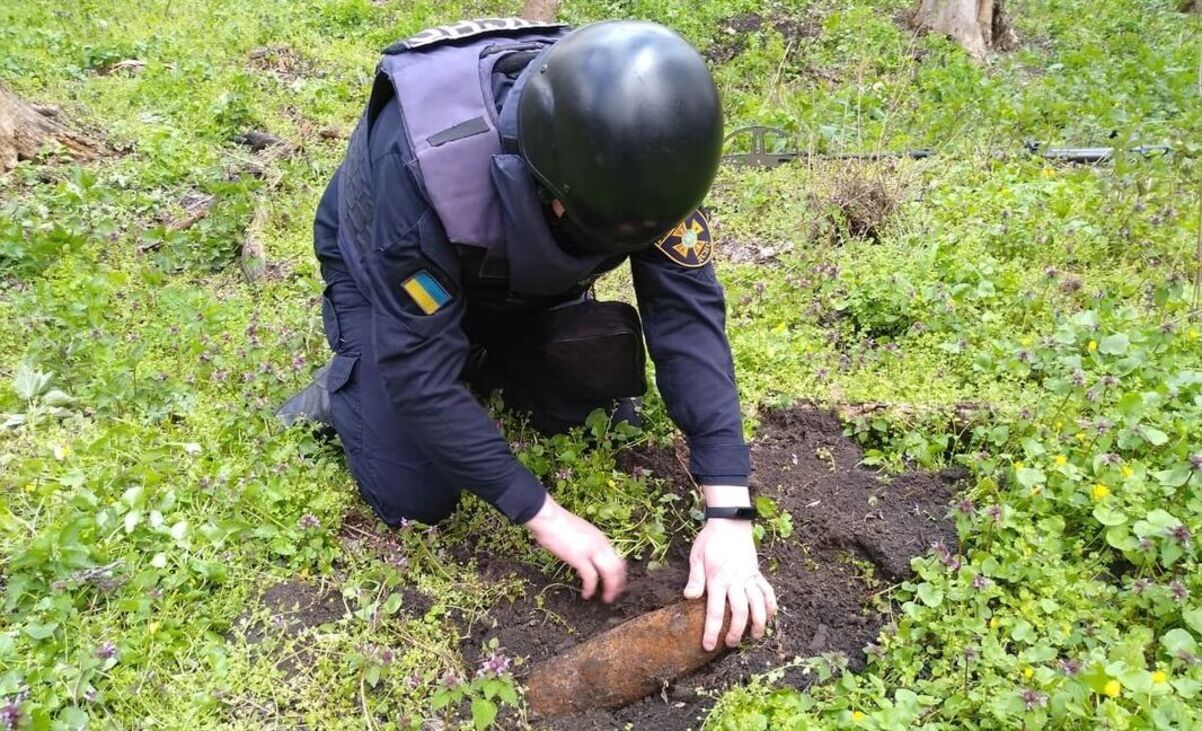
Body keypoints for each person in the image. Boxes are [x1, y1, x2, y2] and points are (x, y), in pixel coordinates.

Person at [279, 17, 776, 652]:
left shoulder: (646, 152)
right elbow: (423, 380)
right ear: (559, 196)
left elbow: (688, 316)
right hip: (388, 270)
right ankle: (349, 380)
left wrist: (729, 509)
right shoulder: (423, 164)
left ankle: (487, 353)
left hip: (514, 268)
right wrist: (543, 514)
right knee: (417, 495)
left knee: (601, 387)